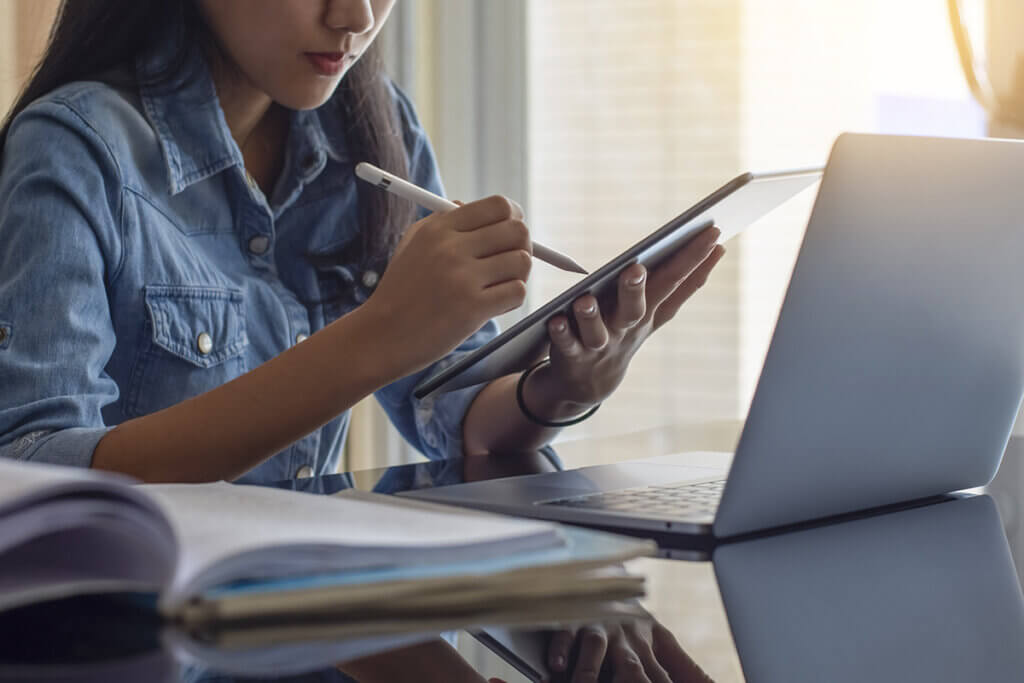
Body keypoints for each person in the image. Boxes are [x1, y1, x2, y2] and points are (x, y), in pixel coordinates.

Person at [0, 1, 723, 680]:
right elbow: (38, 480)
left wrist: (557, 388)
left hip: (324, 626)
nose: (357, 17)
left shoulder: (372, 133)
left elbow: (456, 411)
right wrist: (377, 336)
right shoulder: (76, 147)